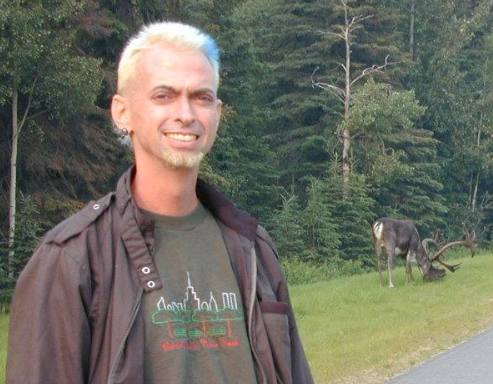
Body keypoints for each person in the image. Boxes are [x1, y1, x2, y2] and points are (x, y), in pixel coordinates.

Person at [6, 22, 314, 384]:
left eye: (201, 97)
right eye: (163, 96)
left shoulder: (252, 248)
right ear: (122, 112)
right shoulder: (71, 258)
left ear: (217, 112)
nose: (186, 114)